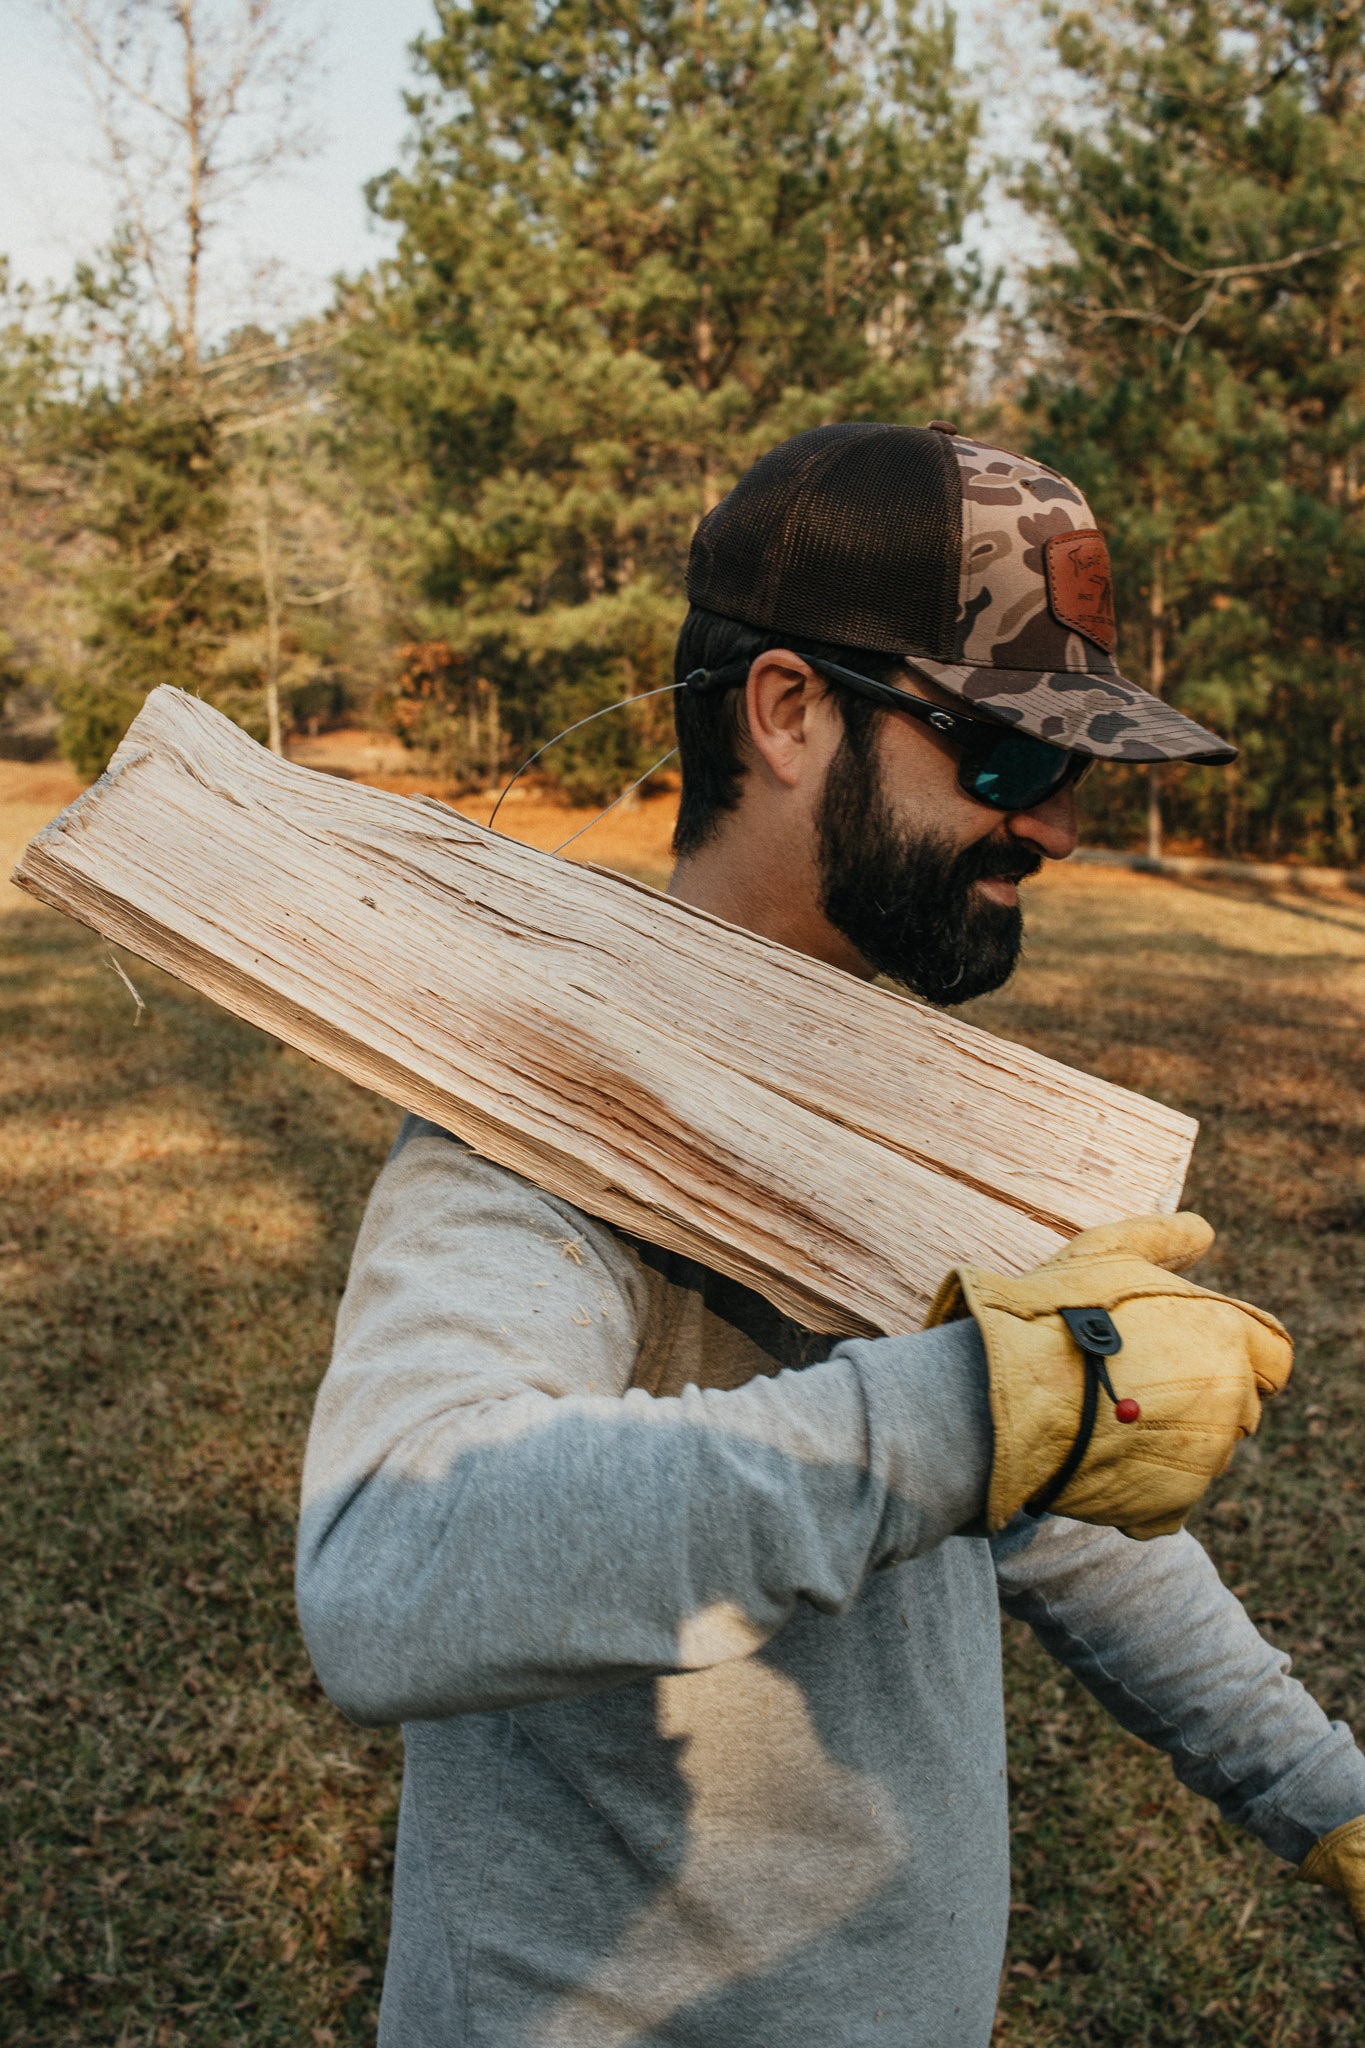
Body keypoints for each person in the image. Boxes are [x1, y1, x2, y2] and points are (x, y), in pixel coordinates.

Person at [296, 424, 1365, 2046]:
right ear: (789, 712)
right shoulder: (540, 1109)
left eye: (1070, 769)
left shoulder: (880, 1081)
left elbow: (1031, 1495)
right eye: (1005, 759)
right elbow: (390, 1564)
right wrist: (977, 1405)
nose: (1057, 828)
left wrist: (1322, 1797)